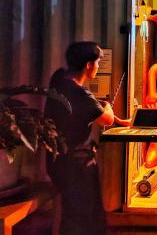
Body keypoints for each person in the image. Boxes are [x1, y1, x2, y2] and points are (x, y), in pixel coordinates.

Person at [45, 41, 130, 235]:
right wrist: (108, 107)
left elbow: (87, 107)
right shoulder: (81, 93)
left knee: (72, 213)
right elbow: (105, 119)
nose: (98, 67)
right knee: (86, 217)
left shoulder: (58, 79)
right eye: (98, 63)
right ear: (89, 65)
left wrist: (109, 112)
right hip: (77, 164)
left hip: (55, 162)